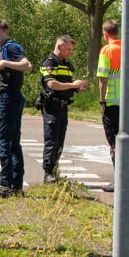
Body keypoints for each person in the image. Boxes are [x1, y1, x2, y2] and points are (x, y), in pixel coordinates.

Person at [0, 19, 30, 196]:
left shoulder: (10, 47)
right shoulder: (6, 48)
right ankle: (15, 183)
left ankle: (6, 183)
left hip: (9, 96)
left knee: (4, 141)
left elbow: (26, 65)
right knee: (12, 141)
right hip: (13, 95)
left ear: (5, 30)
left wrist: (4, 64)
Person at [37, 35, 87, 181]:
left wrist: (78, 87)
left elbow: (66, 85)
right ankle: (48, 172)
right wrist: (73, 85)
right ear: (59, 46)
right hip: (52, 106)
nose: (70, 52)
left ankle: (55, 169)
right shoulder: (50, 62)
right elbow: (51, 84)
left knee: (60, 140)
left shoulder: (68, 65)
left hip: (63, 106)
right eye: (68, 49)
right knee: (51, 140)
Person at [95, 20, 129, 163]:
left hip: (113, 104)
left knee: (114, 143)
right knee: (127, 140)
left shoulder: (107, 51)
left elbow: (103, 79)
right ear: (116, 32)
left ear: (105, 35)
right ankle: (126, 177)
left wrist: (102, 101)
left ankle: (119, 180)